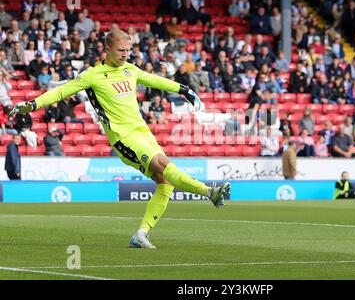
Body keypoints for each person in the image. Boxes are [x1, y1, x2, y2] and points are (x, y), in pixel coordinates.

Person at [9, 29, 231, 249]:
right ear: (107, 50)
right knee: (164, 166)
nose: (125, 54)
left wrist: (183, 89)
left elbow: (154, 80)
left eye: (128, 50)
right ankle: (209, 192)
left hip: (143, 133)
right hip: (123, 138)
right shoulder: (92, 75)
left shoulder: (130, 70)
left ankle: (141, 234)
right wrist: (33, 104)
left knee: (165, 182)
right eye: (121, 50)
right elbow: (61, 92)